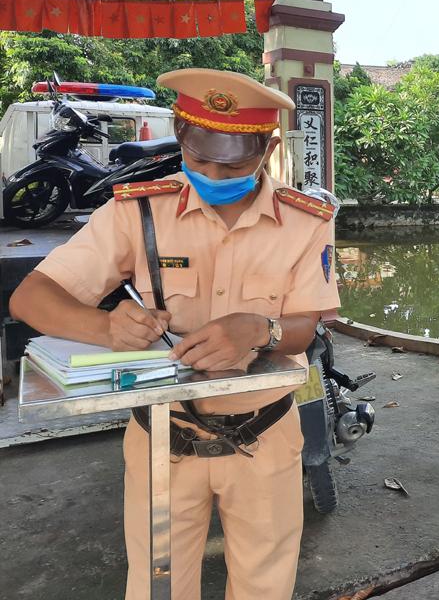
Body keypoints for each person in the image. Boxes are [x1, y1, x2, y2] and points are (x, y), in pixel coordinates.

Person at [10, 68, 341, 600]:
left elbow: (305, 327)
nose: (212, 172)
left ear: (268, 147)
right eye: (199, 157)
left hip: (266, 435)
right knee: (156, 585)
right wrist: (106, 326)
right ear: (181, 137)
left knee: (265, 584)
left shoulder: (305, 221)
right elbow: (30, 298)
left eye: (234, 161)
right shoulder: (137, 210)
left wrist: (262, 328)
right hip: (163, 434)